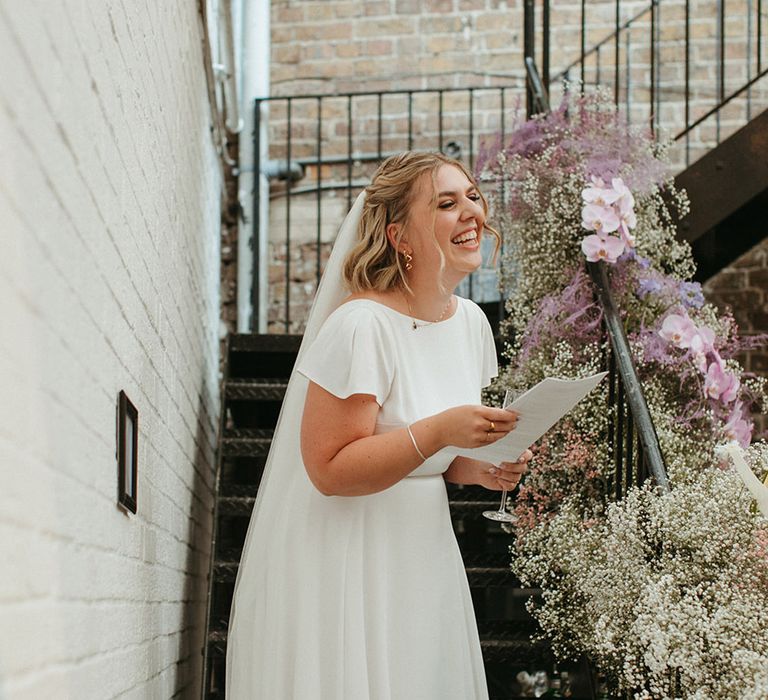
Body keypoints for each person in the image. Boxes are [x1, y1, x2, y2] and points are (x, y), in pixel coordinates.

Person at [226, 151, 532, 699]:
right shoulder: (360, 327)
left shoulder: (472, 325)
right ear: (401, 236)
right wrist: (443, 431)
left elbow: (431, 454)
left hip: (422, 546)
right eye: (445, 203)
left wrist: (480, 468)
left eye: (472, 197)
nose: (471, 212)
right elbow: (330, 468)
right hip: (349, 554)